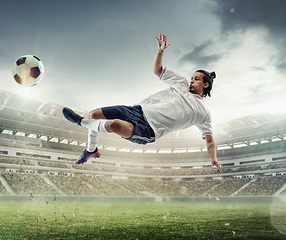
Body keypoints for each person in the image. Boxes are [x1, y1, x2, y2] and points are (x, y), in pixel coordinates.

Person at [63, 33, 221, 174]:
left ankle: (80, 122)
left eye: (197, 79)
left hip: (149, 129)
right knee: (94, 115)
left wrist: (213, 158)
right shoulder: (181, 84)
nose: (192, 81)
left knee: (114, 125)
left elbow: (210, 140)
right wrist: (160, 51)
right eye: (192, 78)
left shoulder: (203, 113)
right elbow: (158, 70)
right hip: (137, 110)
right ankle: (92, 151)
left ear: (206, 85)